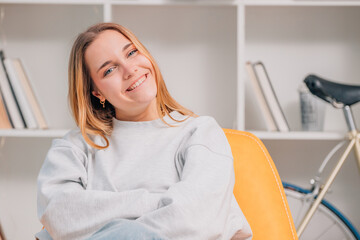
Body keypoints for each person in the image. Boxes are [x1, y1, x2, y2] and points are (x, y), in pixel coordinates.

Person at [36, 22, 252, 240]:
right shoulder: (75, 147)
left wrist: (115, 223)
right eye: (109, 70)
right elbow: (59, 216)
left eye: (131, 53)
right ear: (96, 92)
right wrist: (160, 202)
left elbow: (195, 220)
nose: (130, 70)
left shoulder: (199, 132)